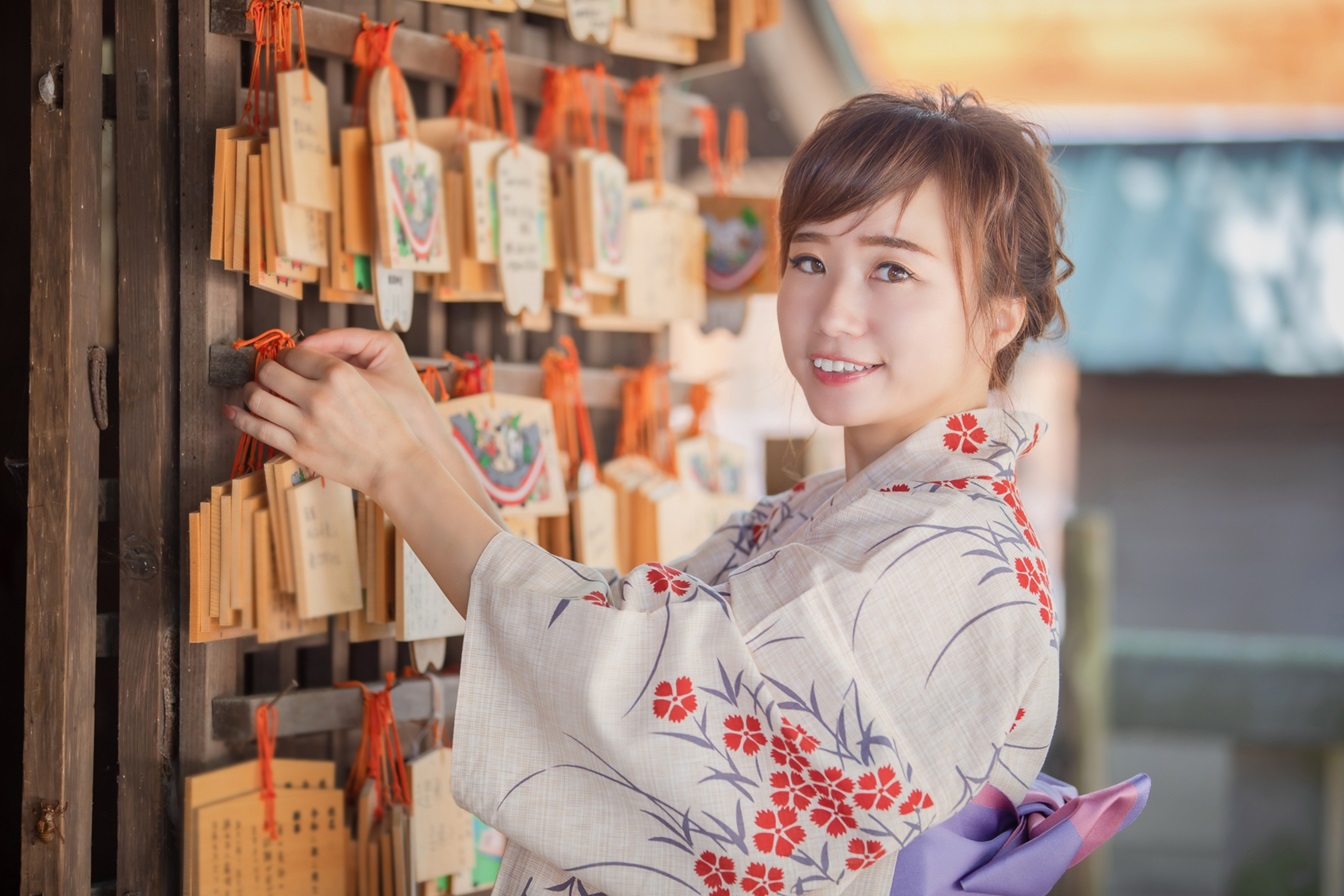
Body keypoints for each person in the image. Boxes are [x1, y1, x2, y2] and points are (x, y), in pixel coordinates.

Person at [225, 87, 1146, 895]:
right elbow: (613, 639)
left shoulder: (960, 562)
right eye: (810, 259)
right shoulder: (822, 513)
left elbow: (657, 702)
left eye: (893, 269)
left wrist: (398, 469)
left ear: (998, 313)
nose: (835, 309)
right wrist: (422, 434)